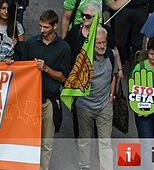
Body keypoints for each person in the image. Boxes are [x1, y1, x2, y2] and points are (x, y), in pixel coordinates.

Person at [20, 10, 71, 170]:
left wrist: (46, 69)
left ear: (55, 26)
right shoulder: (31, 43)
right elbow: (21, 68)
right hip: (30, 100)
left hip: (49, 101)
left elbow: (64, 78)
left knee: (46, 142)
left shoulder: (64, 48)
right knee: (27, 140)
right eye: (40, 26)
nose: (41, 30)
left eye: (46, 27)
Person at [74, 26, 118, 170]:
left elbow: (114, 76)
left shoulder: (111, 54)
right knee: (85, 140)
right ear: (93, 43)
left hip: (104, 106)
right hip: (85, 107)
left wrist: (111, 95)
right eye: (99, 43)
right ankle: (84, 166)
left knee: (105, 142)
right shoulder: (83, 58)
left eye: (104, 42)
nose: (102, 46)